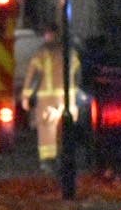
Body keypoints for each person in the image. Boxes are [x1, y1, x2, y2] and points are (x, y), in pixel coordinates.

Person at [19, 25, 82, 172]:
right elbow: (78, 75)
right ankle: (64, 159)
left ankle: (48, 161)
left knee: (47, 130)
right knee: (65, 129)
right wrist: (76, 93)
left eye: (47, 34)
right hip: (68, 99)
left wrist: (26, 97)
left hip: (47, 100)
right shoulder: (70, 53)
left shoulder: (41, 54)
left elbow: (32, 76)